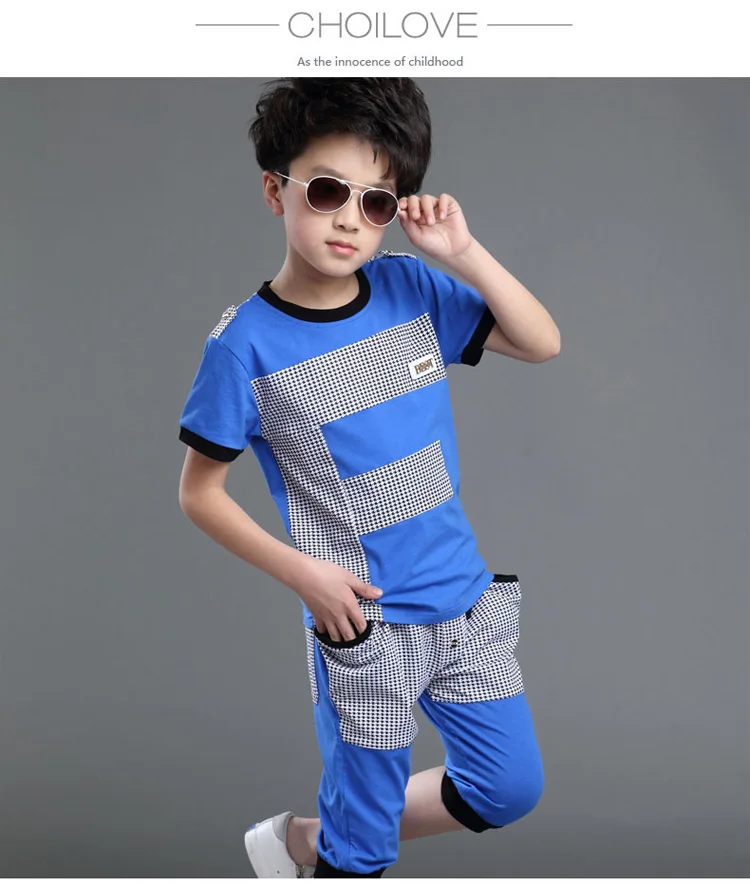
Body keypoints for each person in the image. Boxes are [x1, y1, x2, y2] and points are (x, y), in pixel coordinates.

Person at [177, 78, 560, 878]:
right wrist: (305, 576)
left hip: (464, 603)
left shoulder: (412, 289)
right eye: (327, 191)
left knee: (508, 785)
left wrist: (461, 252)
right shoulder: (242, 347)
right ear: (275, 190)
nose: (350, 218)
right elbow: (199, 492)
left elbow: (540, 340)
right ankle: (339, 844)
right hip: (366, 623)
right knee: (364, 849)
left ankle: (305, 839)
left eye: (377, 201)